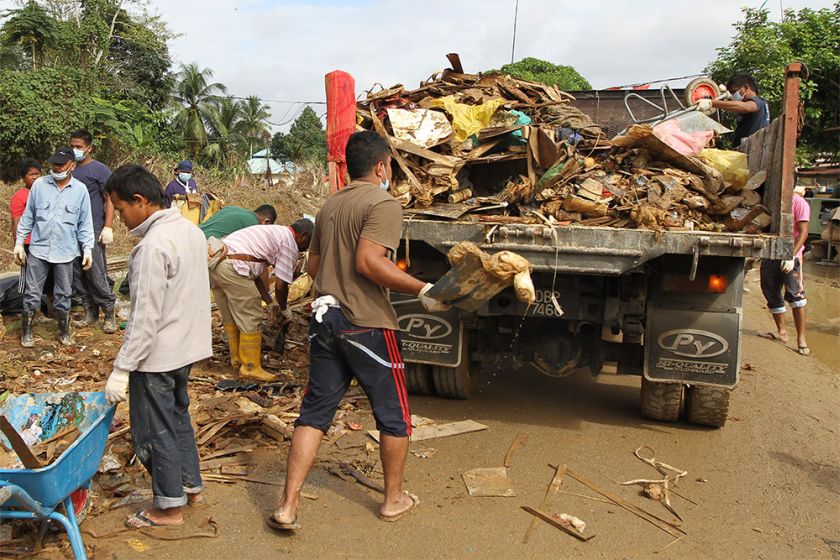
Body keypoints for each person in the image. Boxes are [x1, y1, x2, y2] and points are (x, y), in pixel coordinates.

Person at [269, 131, 448, 532]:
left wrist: (338, 278)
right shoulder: (384, 203)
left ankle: (288, 505)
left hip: (324, 319)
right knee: (394, 416)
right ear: (382, 165)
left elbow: (313, 266)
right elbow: (369, 262)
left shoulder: (330, 205)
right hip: (366, 323)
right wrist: (423, 289)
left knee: (314, 414)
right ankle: (393, 499)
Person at [102, 164, 211, 528]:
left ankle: (168, 507)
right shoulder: (190, 232)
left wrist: (123, 367)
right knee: (178, 418)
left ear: (140, 200)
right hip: (188, 347)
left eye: (120, 210)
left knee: (153, 430)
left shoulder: (153, 246)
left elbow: (144, 317)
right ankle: (190, 485)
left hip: (158, 356)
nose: (119, 219)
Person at [208, 220, 312, 381]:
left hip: (218, 260)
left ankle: (236, 359)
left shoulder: (274, 232)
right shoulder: (289, 243)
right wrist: (284, 309)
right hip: (234, 265)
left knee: (232, 315)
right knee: (251, 315)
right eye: (307, 245)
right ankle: (251, 367)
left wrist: (270, 303)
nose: (305, 250)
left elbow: (254, 276)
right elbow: (281, 286)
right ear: (303, 236)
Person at [14, 147, 94, 347]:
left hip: (65, 251)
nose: (56, 167)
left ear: (72, 166)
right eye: (54, 164)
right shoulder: (40, 185)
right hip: (39, 250)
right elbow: (28, 217)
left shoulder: (80, 190)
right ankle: (27, 332)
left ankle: (63, 331)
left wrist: (88, 249)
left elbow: (85, 223)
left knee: (64, 293)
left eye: (61, 164)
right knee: (32, 292)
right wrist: (19, 243)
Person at [69, 129, 117, 333]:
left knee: (96, 271)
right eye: (72, 145)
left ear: (89, 148)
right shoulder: (68, 168)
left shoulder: (100, 170)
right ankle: (90, 312)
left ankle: (109, 312)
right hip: (71, 229)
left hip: (93, 227)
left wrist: (108, 225)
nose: (75, 150)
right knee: (77, 273)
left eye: (79, 147)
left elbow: (110, 198)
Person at [759, 190, 811, 355]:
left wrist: (792, 255)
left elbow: (803, 232)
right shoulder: (772, 202)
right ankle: (781, 332)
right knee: (771, 291)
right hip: (771, 253)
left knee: (796, 295)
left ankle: (801, 339)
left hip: (791, 255)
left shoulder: (799, 203)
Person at [697, 73, 770, 147]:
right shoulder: (759, 104)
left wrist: (712, 103)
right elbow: (738, 107)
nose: (733, 95)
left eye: (734, 92)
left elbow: (745, 107)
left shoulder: (758, 102)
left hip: (752, 150)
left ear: (745, 88)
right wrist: (728, 97)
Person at [10, 158, 41, 248]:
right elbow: (16, 221)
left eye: (37, 174)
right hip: (28, 242)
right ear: (23, 178)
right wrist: (18, 245)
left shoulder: (46, 192)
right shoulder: (19, 197)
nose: (35, 177)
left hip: (44, 241)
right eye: (31, 174)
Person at [198, 204, 277, 239]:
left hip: (194, 233)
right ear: (267, 222)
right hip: (207, 245)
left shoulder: (230, 208)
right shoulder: (254, 226)